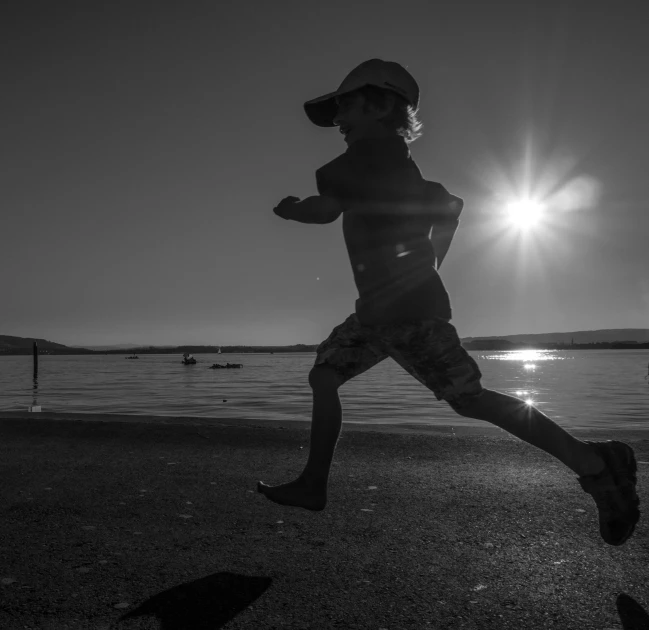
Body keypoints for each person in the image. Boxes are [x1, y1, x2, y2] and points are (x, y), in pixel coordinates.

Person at [258, 59, 640, 546]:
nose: (339, 121)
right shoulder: (401, 167)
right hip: (379, 313)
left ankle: (596, 462)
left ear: (381, 106)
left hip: (409, 314)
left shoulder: (358, 162)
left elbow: (325, 211)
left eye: (346, 106)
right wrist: (432, 263)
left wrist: (294, 210)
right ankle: (313, 483)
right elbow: (451, 208)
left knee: (469, 400)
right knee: (327, 374)